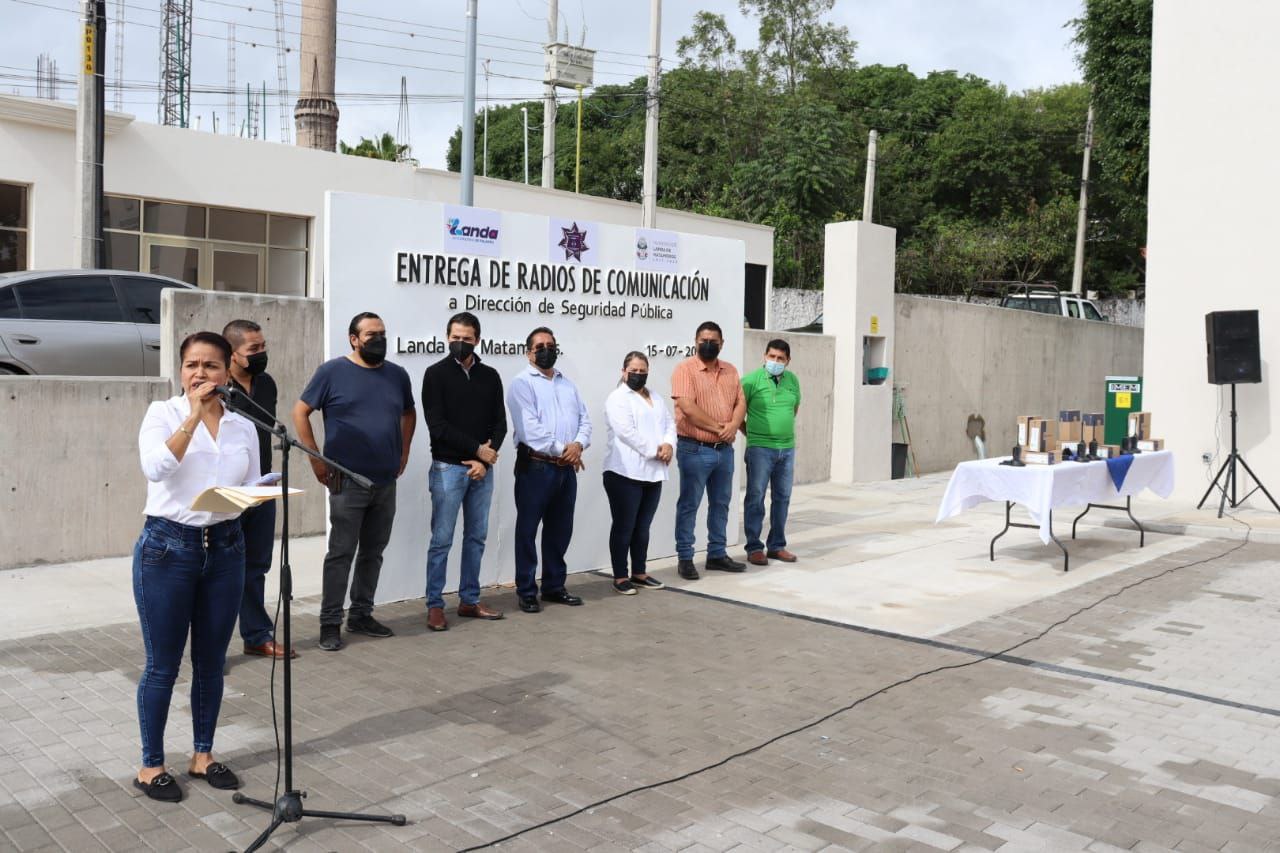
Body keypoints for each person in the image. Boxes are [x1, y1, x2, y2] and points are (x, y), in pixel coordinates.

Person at [132, 331, 261, 802]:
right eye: (192, 365)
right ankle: (151, 765)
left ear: (228, 372)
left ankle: (202, 755)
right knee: (163, 665)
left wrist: (254, 494)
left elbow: (249, 485)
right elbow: (156, 468)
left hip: (226, 548)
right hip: (169, 548)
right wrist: (193, 417)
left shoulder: (243, 425)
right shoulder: (161, 414)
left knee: (211, 663)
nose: (200, 374)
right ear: (180, 370)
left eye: (210, 366)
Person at [293, 312, 417, 651]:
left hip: (385, 480)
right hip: (346, 482)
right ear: (353, 339)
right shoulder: (332, 372)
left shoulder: (397, 375)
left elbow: (409, 412)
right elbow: (300, 411)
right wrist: (316, 458)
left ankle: (361, 614)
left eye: (383, 333)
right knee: (341, 553)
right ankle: (330, 623)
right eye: (371, 334)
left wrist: (403, 451)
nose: (379, 339)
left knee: (373, 552)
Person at [420, 311, 507, 631]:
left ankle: (470, 600)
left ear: (477, 340)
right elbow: (437, 426)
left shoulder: (490, 376)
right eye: (455, 338)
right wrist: (476, 451)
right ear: (447, 338)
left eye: (466, 339)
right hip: (448, 469)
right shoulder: (435, 374)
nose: (460, 343)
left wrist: (484, 460)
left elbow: (500, 423)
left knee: (476, 537)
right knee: (442, 539)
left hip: (481, 471)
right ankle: (434, 605)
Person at [221, 319, 296, 659]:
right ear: (232, 355)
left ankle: (256, 635)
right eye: (254, 350)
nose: (261, 354)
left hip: (263, 487)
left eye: (263, 347)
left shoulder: (266, 384)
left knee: (257, 565)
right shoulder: (219, 386)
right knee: (222, 570)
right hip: (229, 491)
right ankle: (213, 647)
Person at [507, 326, 591, 613]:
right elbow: (530, 430)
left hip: (566, 470)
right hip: (536, 467)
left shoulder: (567, 384)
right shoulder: (521, 384)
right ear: (528, 352)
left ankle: (554, 586)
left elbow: (586, 421)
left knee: (560, 529)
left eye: (551, 345)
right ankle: (527, 590)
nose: (546, 350)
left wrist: (578, 445)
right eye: (540, 346)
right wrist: (564, 450)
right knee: (528, 529)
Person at [671, 321, 747, 580]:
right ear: (695, 341)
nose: (708, 344)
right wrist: (720, 428)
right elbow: (688, 408)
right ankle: (685, 558)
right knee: (689, 505)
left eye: (713, 340)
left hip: (724, 451)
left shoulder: (730, 371)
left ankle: (717, 554)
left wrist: (734, 425)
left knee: (721, 504)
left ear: (722, 344)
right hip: (695, 448)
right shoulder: (685, 370)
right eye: (703, 340)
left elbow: (740, 402)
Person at [602, 351, 676, 594]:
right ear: (624, 371)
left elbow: (669, 424)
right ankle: (621, 575)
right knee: (624, 526)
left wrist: (669, 446)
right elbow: (626, 432)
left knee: (643, 526)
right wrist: (655, 449)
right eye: (633, 370)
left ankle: (640, 572)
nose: (638, 375)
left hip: (653, 473)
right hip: (624, 473)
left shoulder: (655, 396)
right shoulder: (617, 398)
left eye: (643, 371)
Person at [741, 339, 801, 566]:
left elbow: (793, 409)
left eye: (780, 359)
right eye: (772, 357)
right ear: (764, 356)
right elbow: (737, 412)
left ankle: (776, 546)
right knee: (755, 497)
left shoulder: (793, 381)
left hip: (786, 449)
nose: (775, 361)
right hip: (760, 449)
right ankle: (754, 547)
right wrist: (752, 435)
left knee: (782, 498)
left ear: (788, 361)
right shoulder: (750, 381)